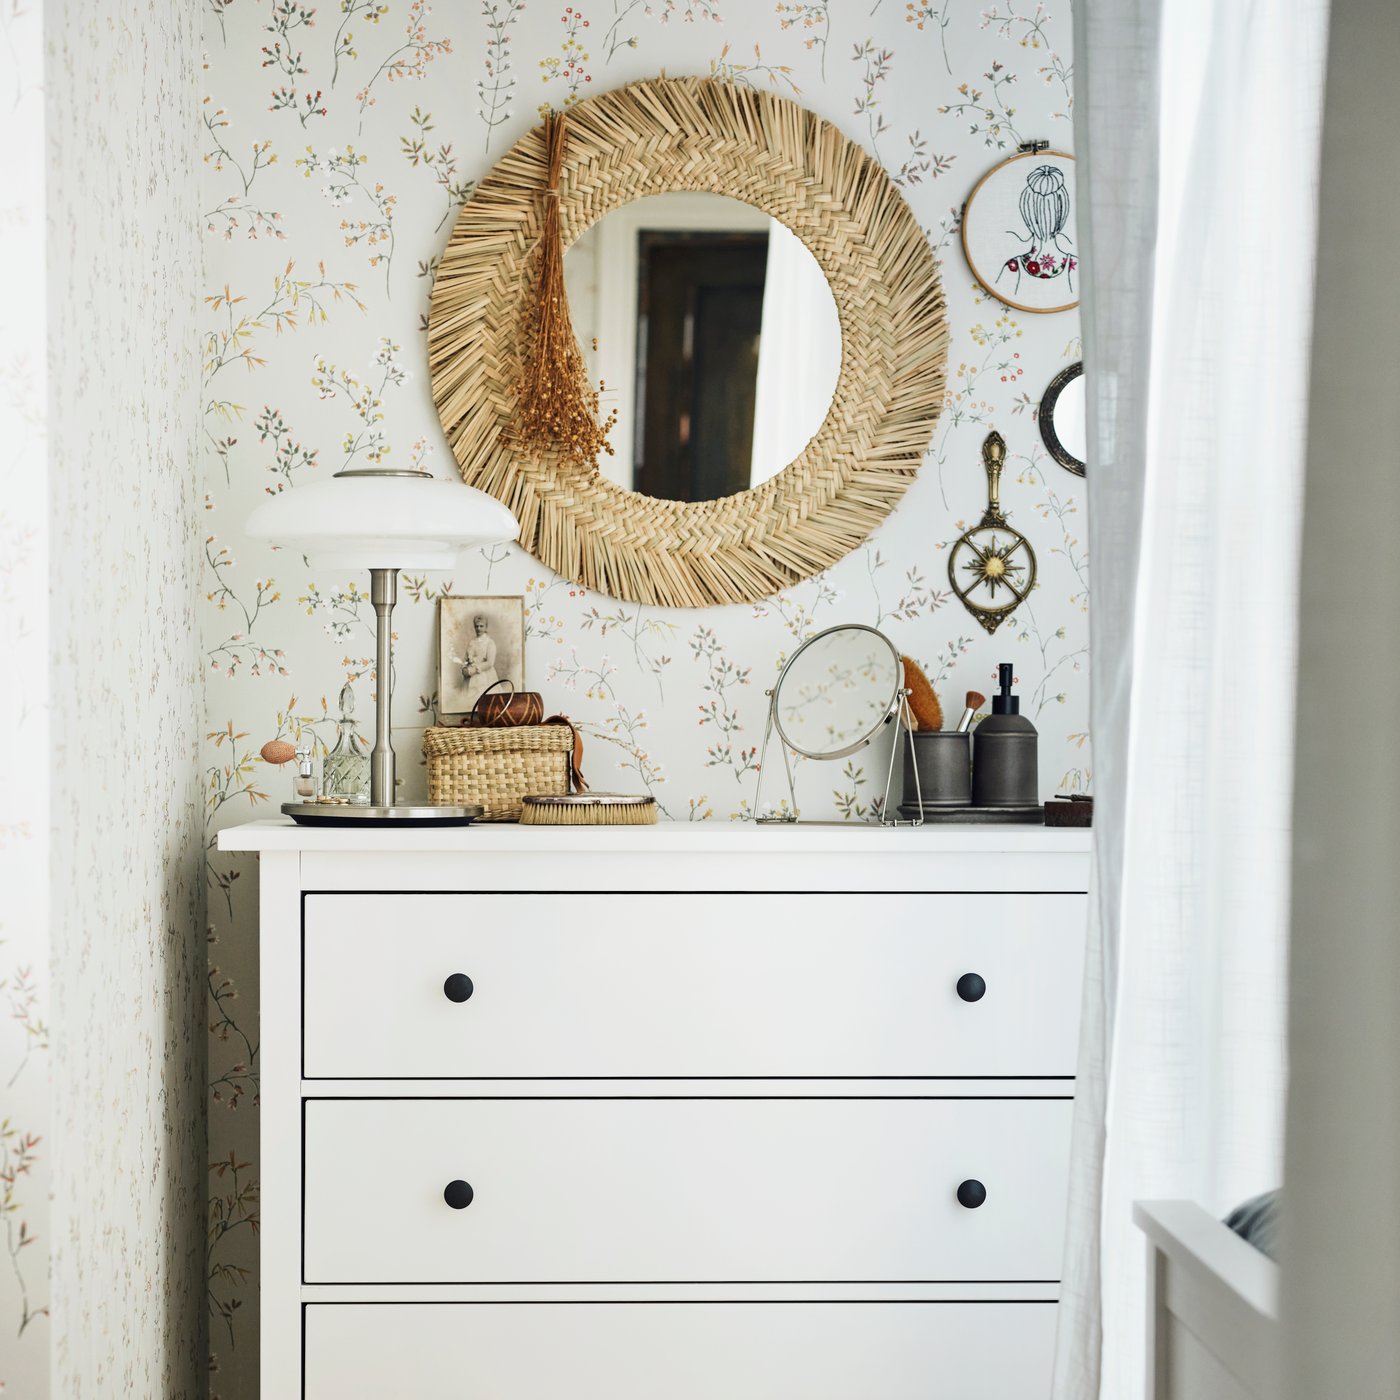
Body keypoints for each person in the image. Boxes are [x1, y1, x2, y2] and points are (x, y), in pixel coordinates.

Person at [460, 614, 499, 711]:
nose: (479, 628)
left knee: (484, 704)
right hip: (469, 677)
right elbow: (465, 659)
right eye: (476, 626)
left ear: (486, 627)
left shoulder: (490, 643)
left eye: (481, 626)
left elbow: (490, 663)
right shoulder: (472, 642)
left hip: (485, 676)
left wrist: (473, 670)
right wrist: (464, 668)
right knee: (467, 704)